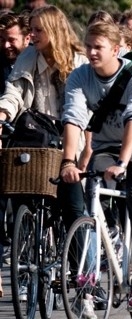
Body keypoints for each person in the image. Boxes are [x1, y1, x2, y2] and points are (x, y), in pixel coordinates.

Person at [60, 21, 132, 314]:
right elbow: (73, 118)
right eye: (88, 46)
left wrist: (123, 161)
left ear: (116, 49)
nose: (92, 52)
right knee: (90, 200)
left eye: (99, 47)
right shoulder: (80, 76)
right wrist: (69, 160)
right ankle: (104, 252)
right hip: (107, 146)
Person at [0, 4, 89, 299]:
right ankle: (27, 268)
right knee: (22, 199)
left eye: (38, 30)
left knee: (74, 210)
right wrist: (2, 113)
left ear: (54, 31)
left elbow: (79, 108)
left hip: (67, 140)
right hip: (36, 141)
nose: (33, 35)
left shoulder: (77, 62)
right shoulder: (29, 56)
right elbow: (14, 90)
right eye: (32, 30)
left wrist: (75, 147)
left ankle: (84, 282)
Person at [0, 10, 31, 298]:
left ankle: (25, 271)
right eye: (2, 40)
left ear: (26, 37)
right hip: (3, 141)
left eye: (12, 40)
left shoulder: (32, 61)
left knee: (26, 208)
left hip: (31, 145)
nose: (7, 45)